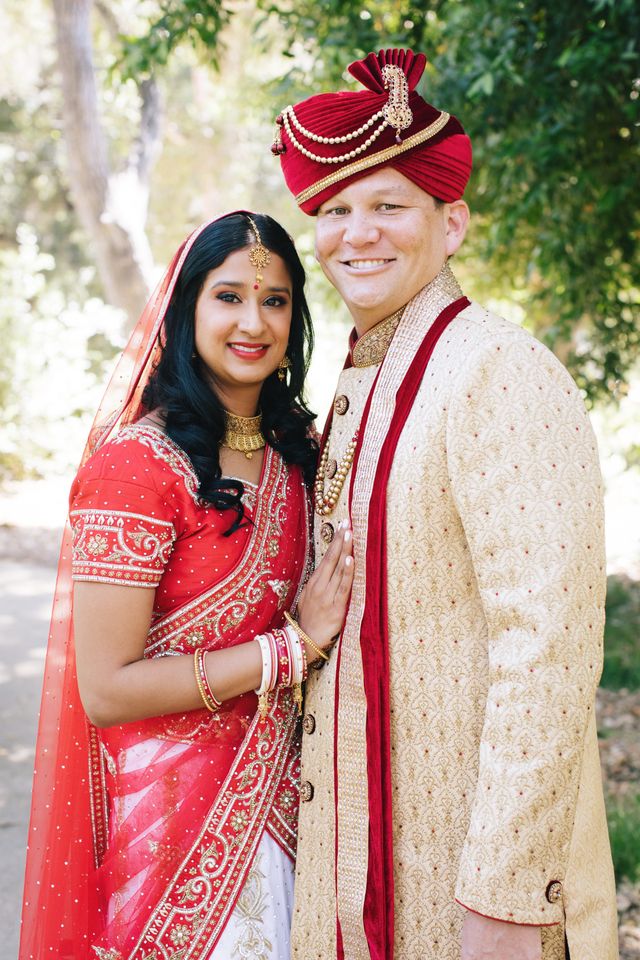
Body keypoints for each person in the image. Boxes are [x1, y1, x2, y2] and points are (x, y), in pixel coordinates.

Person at [273, 48, 618, 960]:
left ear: (452, 222)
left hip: (463, 896)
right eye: (336, 210)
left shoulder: (495, 370)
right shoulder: (363, 375)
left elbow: (547, 644)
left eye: (388, 204)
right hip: (357, 873)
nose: (358, 233)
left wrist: (506, 903)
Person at [19, 211, 354, 960]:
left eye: (275, 300)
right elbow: (105, 689)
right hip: (174, 827)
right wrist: (288, 651)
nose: (253, 322)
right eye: (228, 296)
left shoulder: (300, 449)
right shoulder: (135, 468)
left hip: (302, 810)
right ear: (187, 307)